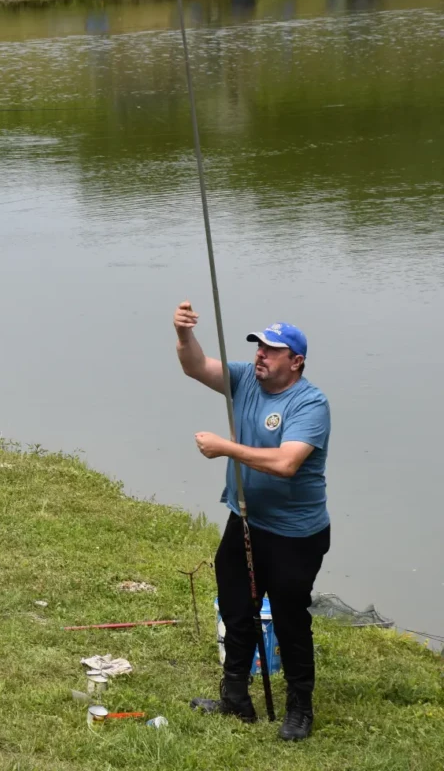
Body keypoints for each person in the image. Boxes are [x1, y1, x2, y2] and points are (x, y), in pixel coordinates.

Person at [173, 301, 331, 742]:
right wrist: (184, 334)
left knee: (289, 618)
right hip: (244, 520)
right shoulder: (245, 379)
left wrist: (227, 448)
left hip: (295, 535)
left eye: (272, 350)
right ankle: (235, 697)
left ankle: (300, 707)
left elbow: (286, 463)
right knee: (238, 609)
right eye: (259, 347)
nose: (260, 355)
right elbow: (197, 367)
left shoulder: (310, 403)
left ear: (295, 362)